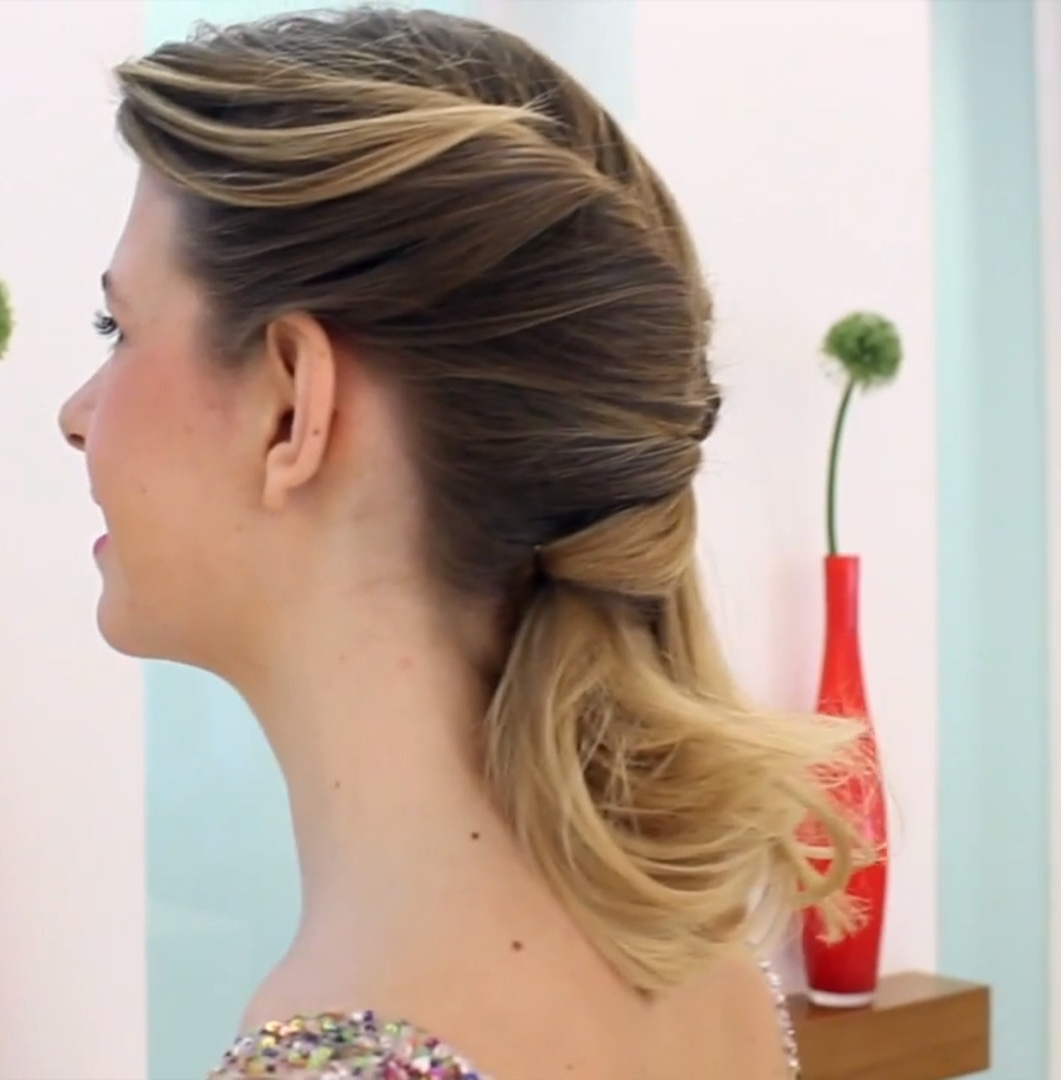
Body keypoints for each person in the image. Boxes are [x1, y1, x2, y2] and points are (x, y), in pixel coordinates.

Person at [57, 7, 867, 1078]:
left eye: (118, 329)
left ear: (292, 408)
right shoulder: (704, 967)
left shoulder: (341, 1057)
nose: (77, 414)